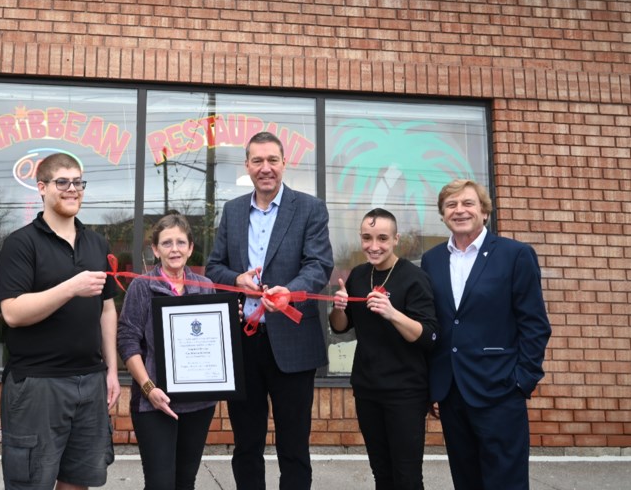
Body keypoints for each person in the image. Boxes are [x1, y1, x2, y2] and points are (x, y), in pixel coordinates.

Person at [206, 131, 334, 490]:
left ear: (283, 163)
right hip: (244, 341)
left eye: (272, 160)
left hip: (292, 340)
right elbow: (214, 268)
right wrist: (237, 278)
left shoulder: (310, 207)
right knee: (246, 443)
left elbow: (320, 266)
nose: (265, 168)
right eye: (257, 161)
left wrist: (289, 291)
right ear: (247, 166)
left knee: (293, 445)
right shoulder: (232, 211)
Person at [0, 152, 120, 490]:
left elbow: (107, 308)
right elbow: (12, 313)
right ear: (41, 188)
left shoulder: (96, 242)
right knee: (31, 483)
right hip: (38, 384)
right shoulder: (21, 243)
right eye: (62, 182)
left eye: (78, 182)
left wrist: (110, 369)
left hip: (90, 382)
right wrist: (70, 287)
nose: (72, 189)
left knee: (79, 481)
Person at [421, 179, 551, 490]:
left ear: (484, 212)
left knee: (506, 482)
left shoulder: (515, 255)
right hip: (452, 393)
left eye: (467, 203)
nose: (460, 210)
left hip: (501, 390)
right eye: (451, 205)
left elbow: (535, 325)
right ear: (443, 214)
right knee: (466, 481)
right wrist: (434, 386)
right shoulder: (432, 260)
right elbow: (437, 324)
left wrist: (523, 380)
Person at [329, 208, 438, 490]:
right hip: (367, 388)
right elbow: (341, 328)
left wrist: (393, 313)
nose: (373, 246)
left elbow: (428, 335)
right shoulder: (358, 274)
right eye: (367, 238)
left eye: (382, 238)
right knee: (381, 472)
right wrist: (338, 308)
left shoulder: (414, 277)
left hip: (405, 391)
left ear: (396, 239)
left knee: (407, 476)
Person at [117, 214, 217, 490]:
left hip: (199, 403)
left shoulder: (205, 287)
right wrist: (149, 388)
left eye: (181, 242)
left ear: (191, 248)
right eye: (167, 242)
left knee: (185, 482)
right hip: (153, 401)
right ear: (155, 249)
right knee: (160, 483)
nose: (174, 249)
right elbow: (127, 341)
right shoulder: (141, 287)